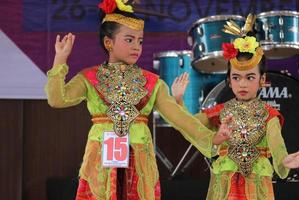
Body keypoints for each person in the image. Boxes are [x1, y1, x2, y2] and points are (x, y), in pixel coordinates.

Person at [45, 0, 218, 199]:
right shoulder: (89, 78)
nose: (136, 46)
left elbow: (181, 120)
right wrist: (60, 60)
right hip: (101, 161)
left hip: (139, 162)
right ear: (108, 43)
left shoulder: (153, 83)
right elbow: (57, 100)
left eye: (140, 41)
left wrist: (212, 140)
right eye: (129, 40)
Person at [171, 14, 299, 200]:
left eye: (250, 77)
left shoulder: (269, 115)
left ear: (262, 80)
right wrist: (179, 101)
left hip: (256, 188)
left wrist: (284, 161)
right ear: (229, 82)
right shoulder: (219, 112)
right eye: (236, 78)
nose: (243, 85)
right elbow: (190, 125)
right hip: (224, 186)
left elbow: (276, 144)